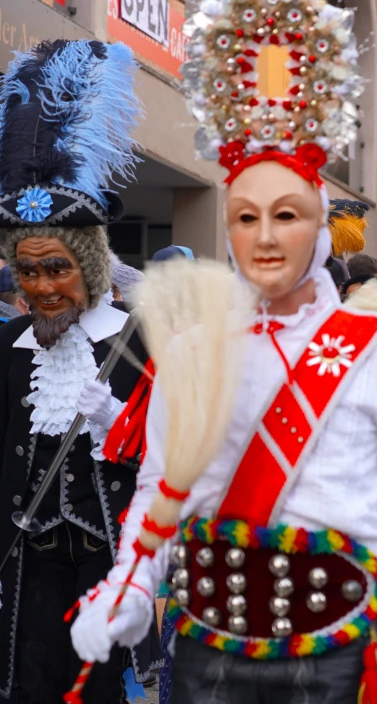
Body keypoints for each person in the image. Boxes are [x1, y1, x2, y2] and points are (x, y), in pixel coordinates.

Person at [68, 9, 377, 703]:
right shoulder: (192, 352)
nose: (265, 236)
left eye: (287, 214)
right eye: (245, 216)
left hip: (335, 652)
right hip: (203, 648)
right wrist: (129, 586)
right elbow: (162, 490)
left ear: (320, 225)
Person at [0, 39, 162, 702]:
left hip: (105, 573)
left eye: (57, 269)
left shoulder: (141, 342)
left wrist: (117, 424)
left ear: (92, 271)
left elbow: (177, 465)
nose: (41, 288)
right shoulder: (9, 345)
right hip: (21, 583)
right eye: (28, 270)